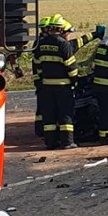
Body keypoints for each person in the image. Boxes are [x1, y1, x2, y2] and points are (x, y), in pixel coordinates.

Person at [33, 17, 78, 148]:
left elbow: (37, 65)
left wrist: (42, 80)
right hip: (63, 86)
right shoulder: (63, 44)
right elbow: (71, 66)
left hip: (47, 86)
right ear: (60, 29)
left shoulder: (41, 44)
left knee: (49, 116)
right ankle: (67, 142)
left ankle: (50, 143)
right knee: (65, 114)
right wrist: (75, 81)